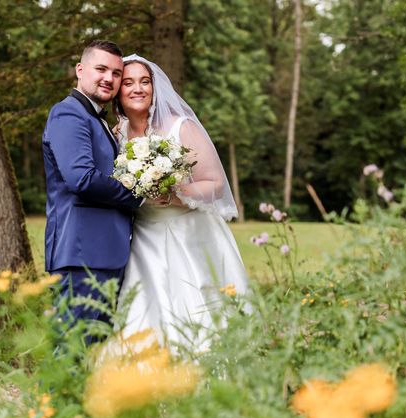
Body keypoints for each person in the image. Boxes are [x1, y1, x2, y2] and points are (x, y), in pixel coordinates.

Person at [112, 54, 250, 353]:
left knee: (196, 302)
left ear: (155, 87)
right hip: (144, 233)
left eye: (145, 82)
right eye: (129, 82)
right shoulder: (116, 134)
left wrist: (175, 193)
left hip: (188, 231)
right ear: (118, 91)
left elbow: (213, 184)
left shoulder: (180, 127)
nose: (138, 89)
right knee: (144, 305)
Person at [42, 40, 143, 343]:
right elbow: (81, 179)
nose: (108, 79)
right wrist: (138, 194)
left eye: (115, 73)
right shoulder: (68, 114)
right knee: (72, 352)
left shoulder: (98, 120)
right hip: (80, 254)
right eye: (101, 69)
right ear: (80, 70)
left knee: (94, 354)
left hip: (104, 254)